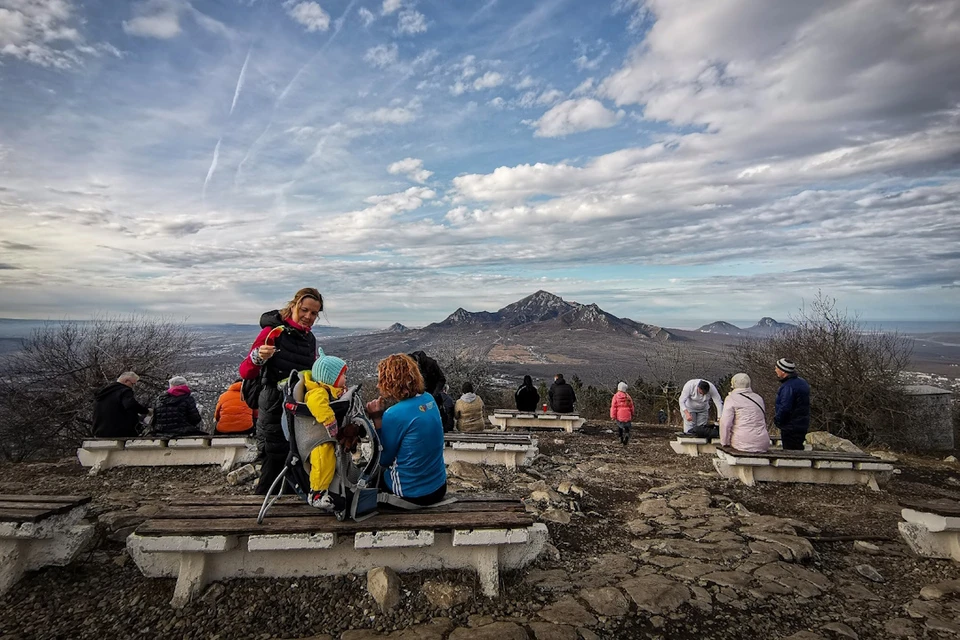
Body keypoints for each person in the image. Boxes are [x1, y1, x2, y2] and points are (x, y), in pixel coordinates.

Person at [240, 287, 323, 495]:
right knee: (275, 464)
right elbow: (246, 371)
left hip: (298, 410)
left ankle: (289, 518)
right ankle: (259, 516)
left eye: (314, 313)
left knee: (296, 463)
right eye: (305, 310)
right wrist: (259, 356)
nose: (308, 317)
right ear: (293, 305)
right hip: (275, 409)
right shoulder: (272, 332)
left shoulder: (309, 339)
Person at [367, 354, 446, 505]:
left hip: (411, 493)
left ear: (391, 383)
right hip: (439, 488)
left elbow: (384, 459)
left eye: (381, 381)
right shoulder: (429, 399)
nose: (378, 386)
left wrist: (377, 418)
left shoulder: (394, 414)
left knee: (372, 476)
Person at [301, 348, 348, 510]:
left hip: (324, 436)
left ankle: (329, 490)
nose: (346, 378)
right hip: (318, 439)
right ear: (330, 378)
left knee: (331, 462)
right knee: (323, 462)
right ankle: (316, 494)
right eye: (342, 375)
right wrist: (330, 421)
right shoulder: (318, 392)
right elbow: (317, 405)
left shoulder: (328, 390)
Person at [719, 373, 769, 452]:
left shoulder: (731, 398)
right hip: (763, 443)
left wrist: (724, 443)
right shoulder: (758, 398)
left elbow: (725, 423)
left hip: (742, 442)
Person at [92, 371, 150, 438]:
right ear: (126, 381)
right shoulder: (124, 391)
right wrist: (146, 411)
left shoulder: (103, 393)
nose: (133, 387)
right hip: (118, 432)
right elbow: (130, 405)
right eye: (132, 384)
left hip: (99, 432)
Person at [774, 358, 811, 450]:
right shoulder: (802, 382)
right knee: (798, 448)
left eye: (777, 368)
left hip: (790, 426)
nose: (775, 370)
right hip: (802, 424)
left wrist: (778, 420)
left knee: (790, 451)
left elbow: (785, 407)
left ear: (783, 371)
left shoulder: (788, 387)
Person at [408, 350, 449, 431]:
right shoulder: (410, 367)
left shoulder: (430, 363)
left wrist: (435, 393)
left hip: (433, 395)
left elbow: (441, 379)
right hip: (419, 398)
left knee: (439, 418)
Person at [610, 381, 635, 445]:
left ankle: (620, 438)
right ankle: (627, 435)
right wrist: (632, 413)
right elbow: (631, 406)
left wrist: (613, 416)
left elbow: (613, 407)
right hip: (627, 415)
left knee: (620, 427)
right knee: (627, 427)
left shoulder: (615, 396)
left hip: (619, 415)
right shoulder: (628, 396)